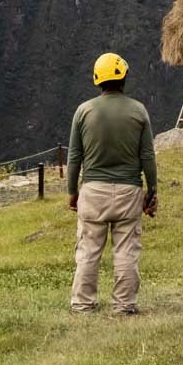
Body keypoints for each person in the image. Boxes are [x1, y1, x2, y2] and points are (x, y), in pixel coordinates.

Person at [67, 51, 158, 316]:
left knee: (88, 250)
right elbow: (147, 157)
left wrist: (73, 192)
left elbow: (74, 157)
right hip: (129, 190)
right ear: (124, 78)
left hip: (93, 190)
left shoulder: (84, 111)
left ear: (98, 80)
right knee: (126, 250)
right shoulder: (138, 111)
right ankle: (124, 305)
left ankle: (83, 304)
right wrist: (152, 191)